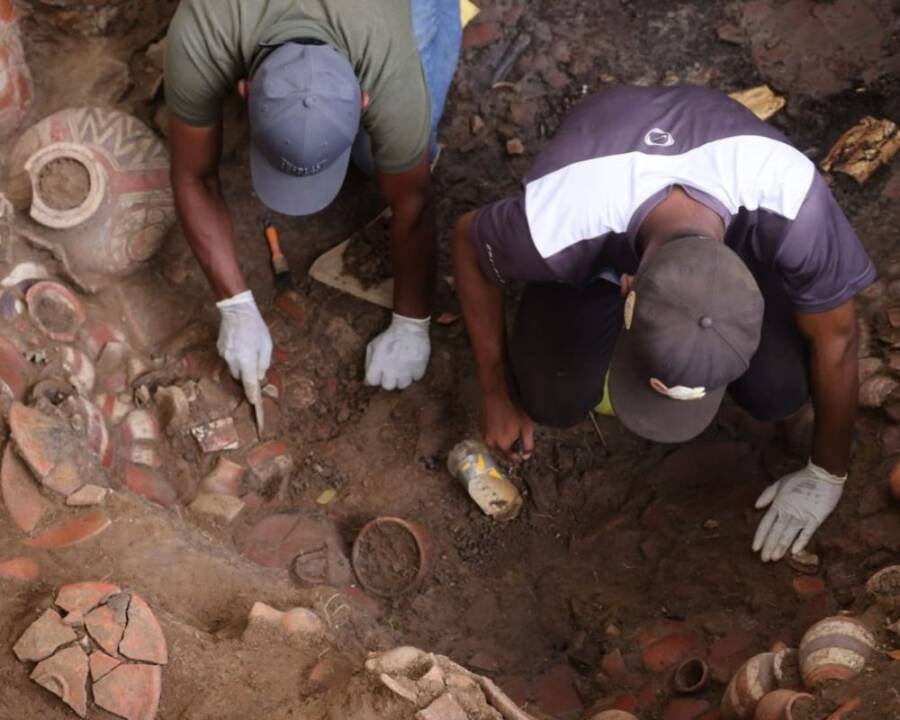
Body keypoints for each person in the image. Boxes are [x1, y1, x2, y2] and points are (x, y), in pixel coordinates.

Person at [452, 86, 875, 563]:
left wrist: (827, 472)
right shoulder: (557, 224)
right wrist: (493, 390)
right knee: (552, 398)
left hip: (723, 218)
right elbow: (468, 242)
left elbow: (837, 340)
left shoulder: (794, 205)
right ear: (627, 288)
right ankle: (572, 293)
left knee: (780, 390)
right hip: (600, 207)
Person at [164, 0, 463, 408]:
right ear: (245, 89)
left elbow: (413, 201)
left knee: (377, 160)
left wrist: (412, 324)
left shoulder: (390, 63)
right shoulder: (205, 26)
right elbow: (193, 174)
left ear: (363, 99)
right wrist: (234, 306)